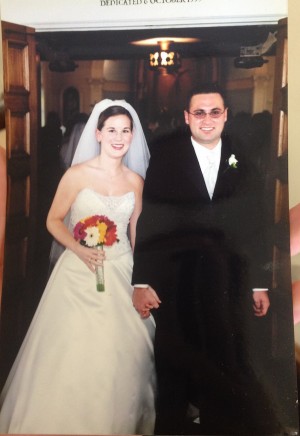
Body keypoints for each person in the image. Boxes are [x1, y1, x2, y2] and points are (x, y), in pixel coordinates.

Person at [132, 83, 282, 434]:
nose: (207, 119)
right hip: (175, 282)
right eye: (199, 112)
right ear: (187, 117)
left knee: (223, 366)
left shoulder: (242, 158)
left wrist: (259, 283)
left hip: (226, 282)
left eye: (215, 111)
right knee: (172, 368)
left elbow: (256, 224)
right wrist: (141, 281)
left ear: (226, 115)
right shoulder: (165, 159)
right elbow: (150, 222)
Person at [0, 100, 156, 435]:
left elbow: (136, 233)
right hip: (77, 271)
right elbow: (53, 221)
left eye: (125, 131)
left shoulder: (136, 182)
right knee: (71, 354)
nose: (118, 137)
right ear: (98, 134)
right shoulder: (77, 175)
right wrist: (79, 250)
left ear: (132, 136)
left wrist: (143, 280)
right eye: (111, 130)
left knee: (120, 355)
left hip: (121, 269)